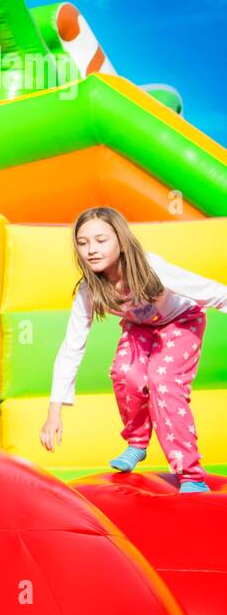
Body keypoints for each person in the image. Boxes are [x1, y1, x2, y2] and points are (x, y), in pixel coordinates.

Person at [39, 206, 227, 493]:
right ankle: (137, 442)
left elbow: (211, 291)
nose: (91, 249)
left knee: (162, 382)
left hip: (181, 321)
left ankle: (190, 474)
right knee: (125, 372)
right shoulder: (89, 289)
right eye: (83, 242)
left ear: (121, 240)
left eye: (101, 240)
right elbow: (72, 346)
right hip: (140, 328)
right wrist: (54, 412)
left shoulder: (150, 268)